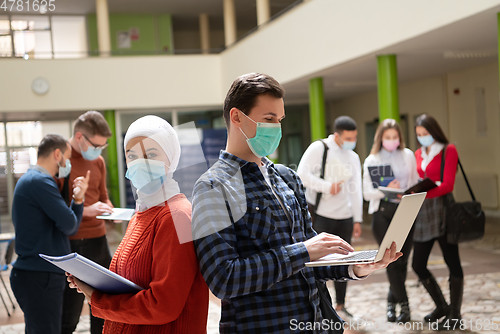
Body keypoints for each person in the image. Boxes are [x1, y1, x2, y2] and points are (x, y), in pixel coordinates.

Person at [191, 72, 402, 333]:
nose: (277, 128)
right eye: (269, 119)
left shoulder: (286, 177)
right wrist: (302, 251)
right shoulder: (212, 187)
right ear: (236, 117)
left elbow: (313, 262)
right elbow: (224, 278)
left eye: (279, 120)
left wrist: (356, 266)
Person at [67, 115, 209, 333]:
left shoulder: (177, 216)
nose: (139, 163)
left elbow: (163, 305)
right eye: (131, 156)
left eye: (150, 155)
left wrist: (98, 300)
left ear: (171, 159)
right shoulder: (142, 213)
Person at [10, 134, 89, 334]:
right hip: (39, 275)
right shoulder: (40, 181)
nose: (68, 163)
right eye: (67, 157)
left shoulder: (31, 180)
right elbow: (70, 224)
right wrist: (78, 199)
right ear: (57, 154)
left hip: (36, 274)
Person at [297, 115, 363, 318]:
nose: (351, 142)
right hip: (322, 215)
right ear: (337, 135)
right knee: (321, 261)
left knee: (345, 260)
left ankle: (341, 305)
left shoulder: (353, 157)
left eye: (354, 138)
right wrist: (327, 186)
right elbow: (301, 174)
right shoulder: (320, 148)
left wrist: (357, 218)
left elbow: (356, 190)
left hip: (345, 216)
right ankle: (322, 304)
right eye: (348, 138)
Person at [59, 111, 115, 334]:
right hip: (74, 242)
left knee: (103, 307)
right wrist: (86, 209)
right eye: (96, 145)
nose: (99, 151)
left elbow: (103, 196)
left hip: (99, 241)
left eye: (103, 147)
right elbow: (56, 210)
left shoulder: (98, 161)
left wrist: (109, 208)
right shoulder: (60, 161)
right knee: (70, 313)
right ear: (80, 137)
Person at [362, 119, 419, 323]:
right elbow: (367, 193)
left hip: (405, 210)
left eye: (395, 137)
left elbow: (413, 182)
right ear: (380, 138)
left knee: (402, 259)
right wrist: (386, 189)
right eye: (388, 137)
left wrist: (408, 192)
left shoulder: (408, 155)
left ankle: (390, 301)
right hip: (383, 213)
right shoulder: (372, 160)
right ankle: (405, 305)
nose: (392, 141)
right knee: (391, 260)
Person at [411, 114, 463, 330]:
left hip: (443, 210)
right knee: (418, 264)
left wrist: (422, 193)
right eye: (419, 135)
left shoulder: (448, 149)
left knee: (452, 262)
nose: (423, 138)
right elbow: (422, 181)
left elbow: (448, 185)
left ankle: (455, 314)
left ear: (434, 131)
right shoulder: (417, 153)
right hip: (424, 212)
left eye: (426, 134)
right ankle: (442, 306)